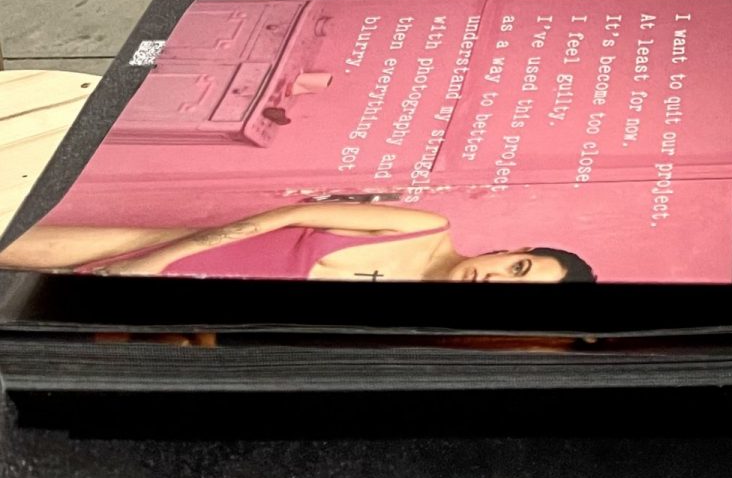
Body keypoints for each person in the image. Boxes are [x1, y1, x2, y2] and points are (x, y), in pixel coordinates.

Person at [0, 199, 596, 283]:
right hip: (164, 251)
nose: (494, 277)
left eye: (511, 288)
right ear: (511, 249)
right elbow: (287, 215)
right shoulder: (425, 226)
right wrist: (155, 260)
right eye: (520, 267)